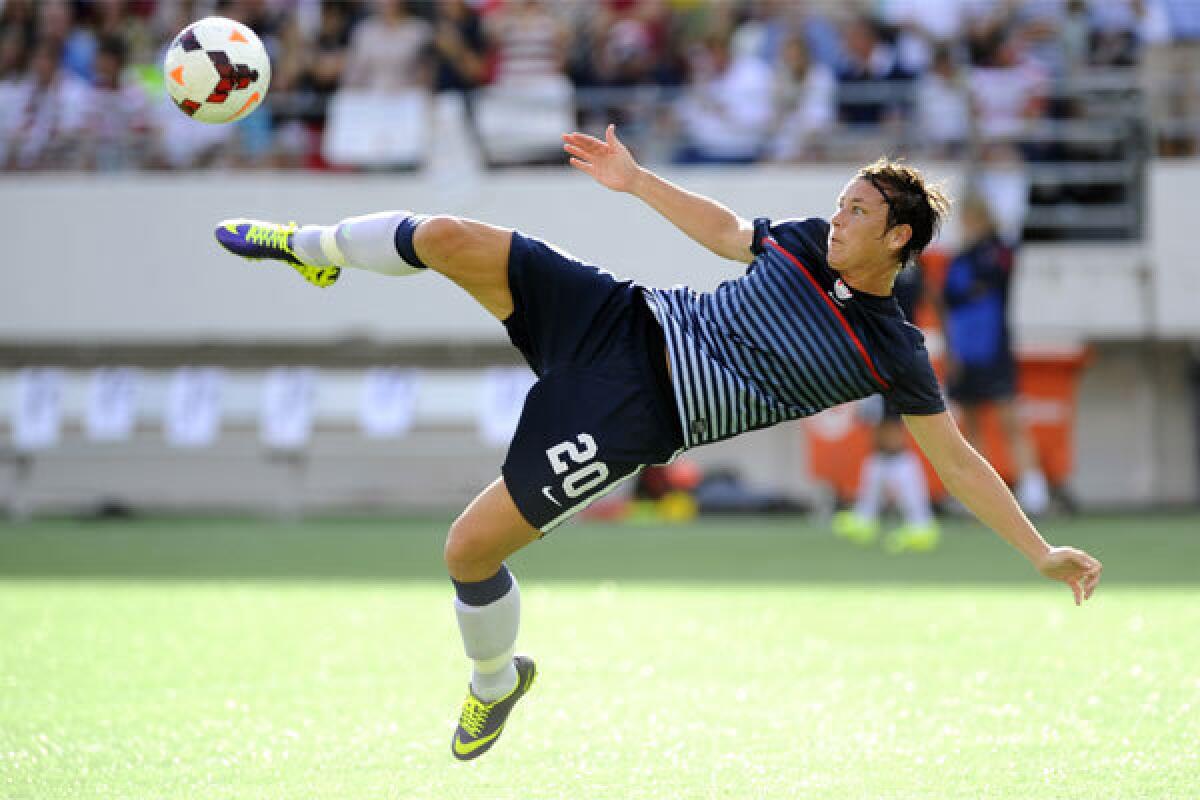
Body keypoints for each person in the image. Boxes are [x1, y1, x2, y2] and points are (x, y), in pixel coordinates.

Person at [213, 125, 1103, 761]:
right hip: (622, 316)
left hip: (637, 417)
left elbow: (956, 459)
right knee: (445, 236)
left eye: (856, 210)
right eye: (839, 203)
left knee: (466, 549)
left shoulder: (893, 350)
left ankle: (494, 683)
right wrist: (636, 181)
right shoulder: (798, 243)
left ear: (898, 237)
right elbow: (725, 233)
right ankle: (310, 245)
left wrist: (1037, 550)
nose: (836, 218)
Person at [941, 193, 1050, 515]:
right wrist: (951, 352)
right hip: (964, 351)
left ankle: (1034, 490)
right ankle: (978, 496)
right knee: (971, 426)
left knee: (1010, 420)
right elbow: (950, 304)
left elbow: (994, 278)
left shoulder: (999, 250)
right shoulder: (959, 259)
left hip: (994, 348)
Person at [832, 262, 940, 552]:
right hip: (888, 352)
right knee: (880, 441)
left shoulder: (890, 265)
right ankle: (866, 517)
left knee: (893, 441)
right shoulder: (908, 265)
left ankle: (921, 523)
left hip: (889, 355)